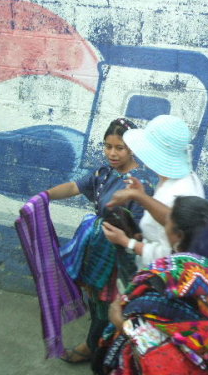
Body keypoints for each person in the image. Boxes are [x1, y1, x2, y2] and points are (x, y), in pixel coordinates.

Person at [95, 196, 208, 375]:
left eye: (167, 223)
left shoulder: (163, 276)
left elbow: (155, 354)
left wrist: (119, 322)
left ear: (178, 235)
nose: (164, 227)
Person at [47, 118, 154, 363]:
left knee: (109, 306)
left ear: (132, 149)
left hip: (119, 257)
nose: (112, 153)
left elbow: (138, 231)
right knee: (98, 303)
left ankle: (93, 348)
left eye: (120, 148)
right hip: (98, 250)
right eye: (108, 146)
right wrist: (45, 196)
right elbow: (74, 187)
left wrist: (121, 238)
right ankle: (102, 345)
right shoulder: (103, 173)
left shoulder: (139, 184)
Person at [102, 114, 205, 269]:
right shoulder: (177, 178)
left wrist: (126, 242)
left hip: (162, 279)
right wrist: (142, 196)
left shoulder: (180, 191)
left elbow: (170, 254)